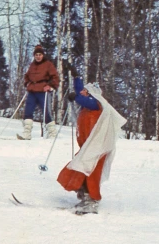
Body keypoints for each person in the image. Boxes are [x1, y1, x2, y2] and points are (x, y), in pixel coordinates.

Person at [57, 66, 126, 215]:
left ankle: (92, 201)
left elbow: (83, 98)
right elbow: (81, 94)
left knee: (90, 172)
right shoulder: (87, 105)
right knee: (78, 168)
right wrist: (76, 77)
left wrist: (76, 96)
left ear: (91, 94)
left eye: (85, 91)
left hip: (97, 148)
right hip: (89, 147)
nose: (82, 92)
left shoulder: (96, 104)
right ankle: (84, 196)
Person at [19, 45, 59, 140]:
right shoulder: (32, 65)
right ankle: (27, 133)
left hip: (43, 90)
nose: (38, 56)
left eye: (40, 54)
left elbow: (55, 77)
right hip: (32, 90)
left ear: (43, 55)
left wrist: (50, 86)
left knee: (46, 112)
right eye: (36, 54)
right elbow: (27, 76)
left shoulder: (48, 64)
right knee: (28, 111)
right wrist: (27, 83)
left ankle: (52, 133)